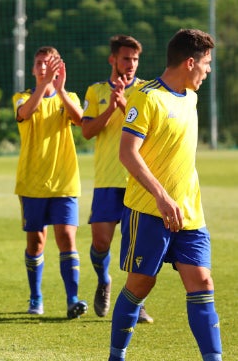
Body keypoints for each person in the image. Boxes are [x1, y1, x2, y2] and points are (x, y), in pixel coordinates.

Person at [109, 29, 221, 361]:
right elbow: (128, 153)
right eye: (207, 63)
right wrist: (160, 195)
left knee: (202, 281)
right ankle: (117, 355)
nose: (209, 70)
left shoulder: (192, 96)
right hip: (148, 211)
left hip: (189, 213)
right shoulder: (146, 98)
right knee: (141, 285)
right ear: (190, 62)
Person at [81, 35, 153, 323]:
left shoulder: (147, 91)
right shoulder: (95, 90)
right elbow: (87, 132)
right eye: (126, 58)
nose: (131, 64)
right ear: (113, 59)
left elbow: (150, 132)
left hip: (137, 179)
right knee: (100, 242)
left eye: (135, 59)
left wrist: (124, 104)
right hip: (107, 180)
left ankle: (138, 303)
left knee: (138, 247)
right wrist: (111, 106)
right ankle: (104, 280)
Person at [12, 46, 87, 319]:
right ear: (33, 69)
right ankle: (36, 297)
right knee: (36, 243)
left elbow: (80, 120)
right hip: (32, 183)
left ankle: (73, 299)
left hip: (65, 182)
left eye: (49, 63)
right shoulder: (22, 97)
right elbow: (25, 114)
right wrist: (44, 86)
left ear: (59, 66)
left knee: (67, 237)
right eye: (39, 62)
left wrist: (61, 90)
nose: (43, 66)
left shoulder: (70, 98)